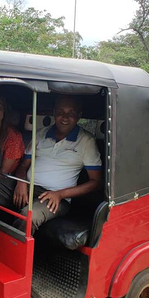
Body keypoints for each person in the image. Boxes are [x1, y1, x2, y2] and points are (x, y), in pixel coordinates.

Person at [12, 95, 102, 234]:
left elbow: (95, 182)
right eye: (60, 112)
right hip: (28, 187)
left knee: (29, 216)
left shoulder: (86, 141)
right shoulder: (41, 133)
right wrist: (21, 182)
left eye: (71, 113)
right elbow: (23, 166)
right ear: (54, 112)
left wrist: (60, 194)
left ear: (79, 115)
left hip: (57, 198)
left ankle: (14, 254)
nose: (65, 117)